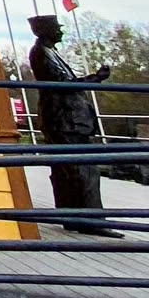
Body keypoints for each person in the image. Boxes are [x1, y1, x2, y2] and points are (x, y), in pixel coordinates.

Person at [27, 13, 121, 237]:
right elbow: (62, 84)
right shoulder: (42, 52)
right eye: (57, 27)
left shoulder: (48, 52)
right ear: (45, 30)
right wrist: (94, 79)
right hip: (65, 120)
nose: (61, 30)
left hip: (65, 119)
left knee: (68, 169)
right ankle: (90, 220)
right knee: (83, 170)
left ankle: (72, 215)